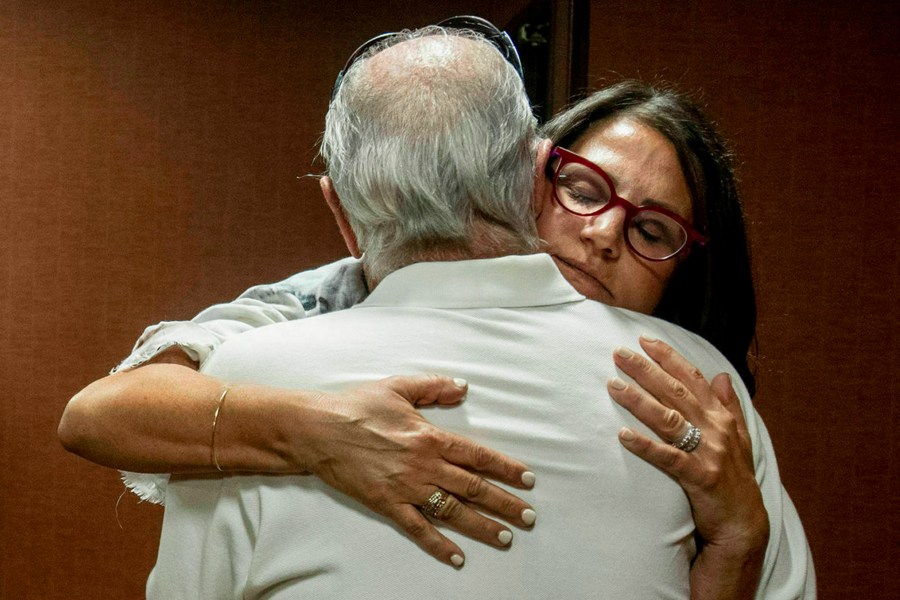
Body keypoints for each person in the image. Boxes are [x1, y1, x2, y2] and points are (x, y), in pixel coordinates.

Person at [58, 18, 814, 599]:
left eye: (653, 231)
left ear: (341, 211)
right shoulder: (288, 329)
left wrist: (742, 535)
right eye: (583, 189)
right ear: (531, 176)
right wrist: (312, 427)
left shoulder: (698, 401)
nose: (601, 235)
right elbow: (100, 412)